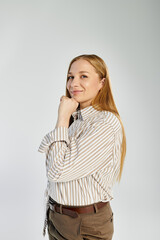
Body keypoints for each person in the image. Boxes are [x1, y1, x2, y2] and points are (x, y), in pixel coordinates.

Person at [38, 54, 126, 240]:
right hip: (58, 218)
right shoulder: (76, 120)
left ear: (102, 83)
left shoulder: (105, 123)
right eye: (70, 77)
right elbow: (48, 152)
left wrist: (61, 117)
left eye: (83, 76)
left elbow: (56, 171)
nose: (73, 83)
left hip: (85, 224)